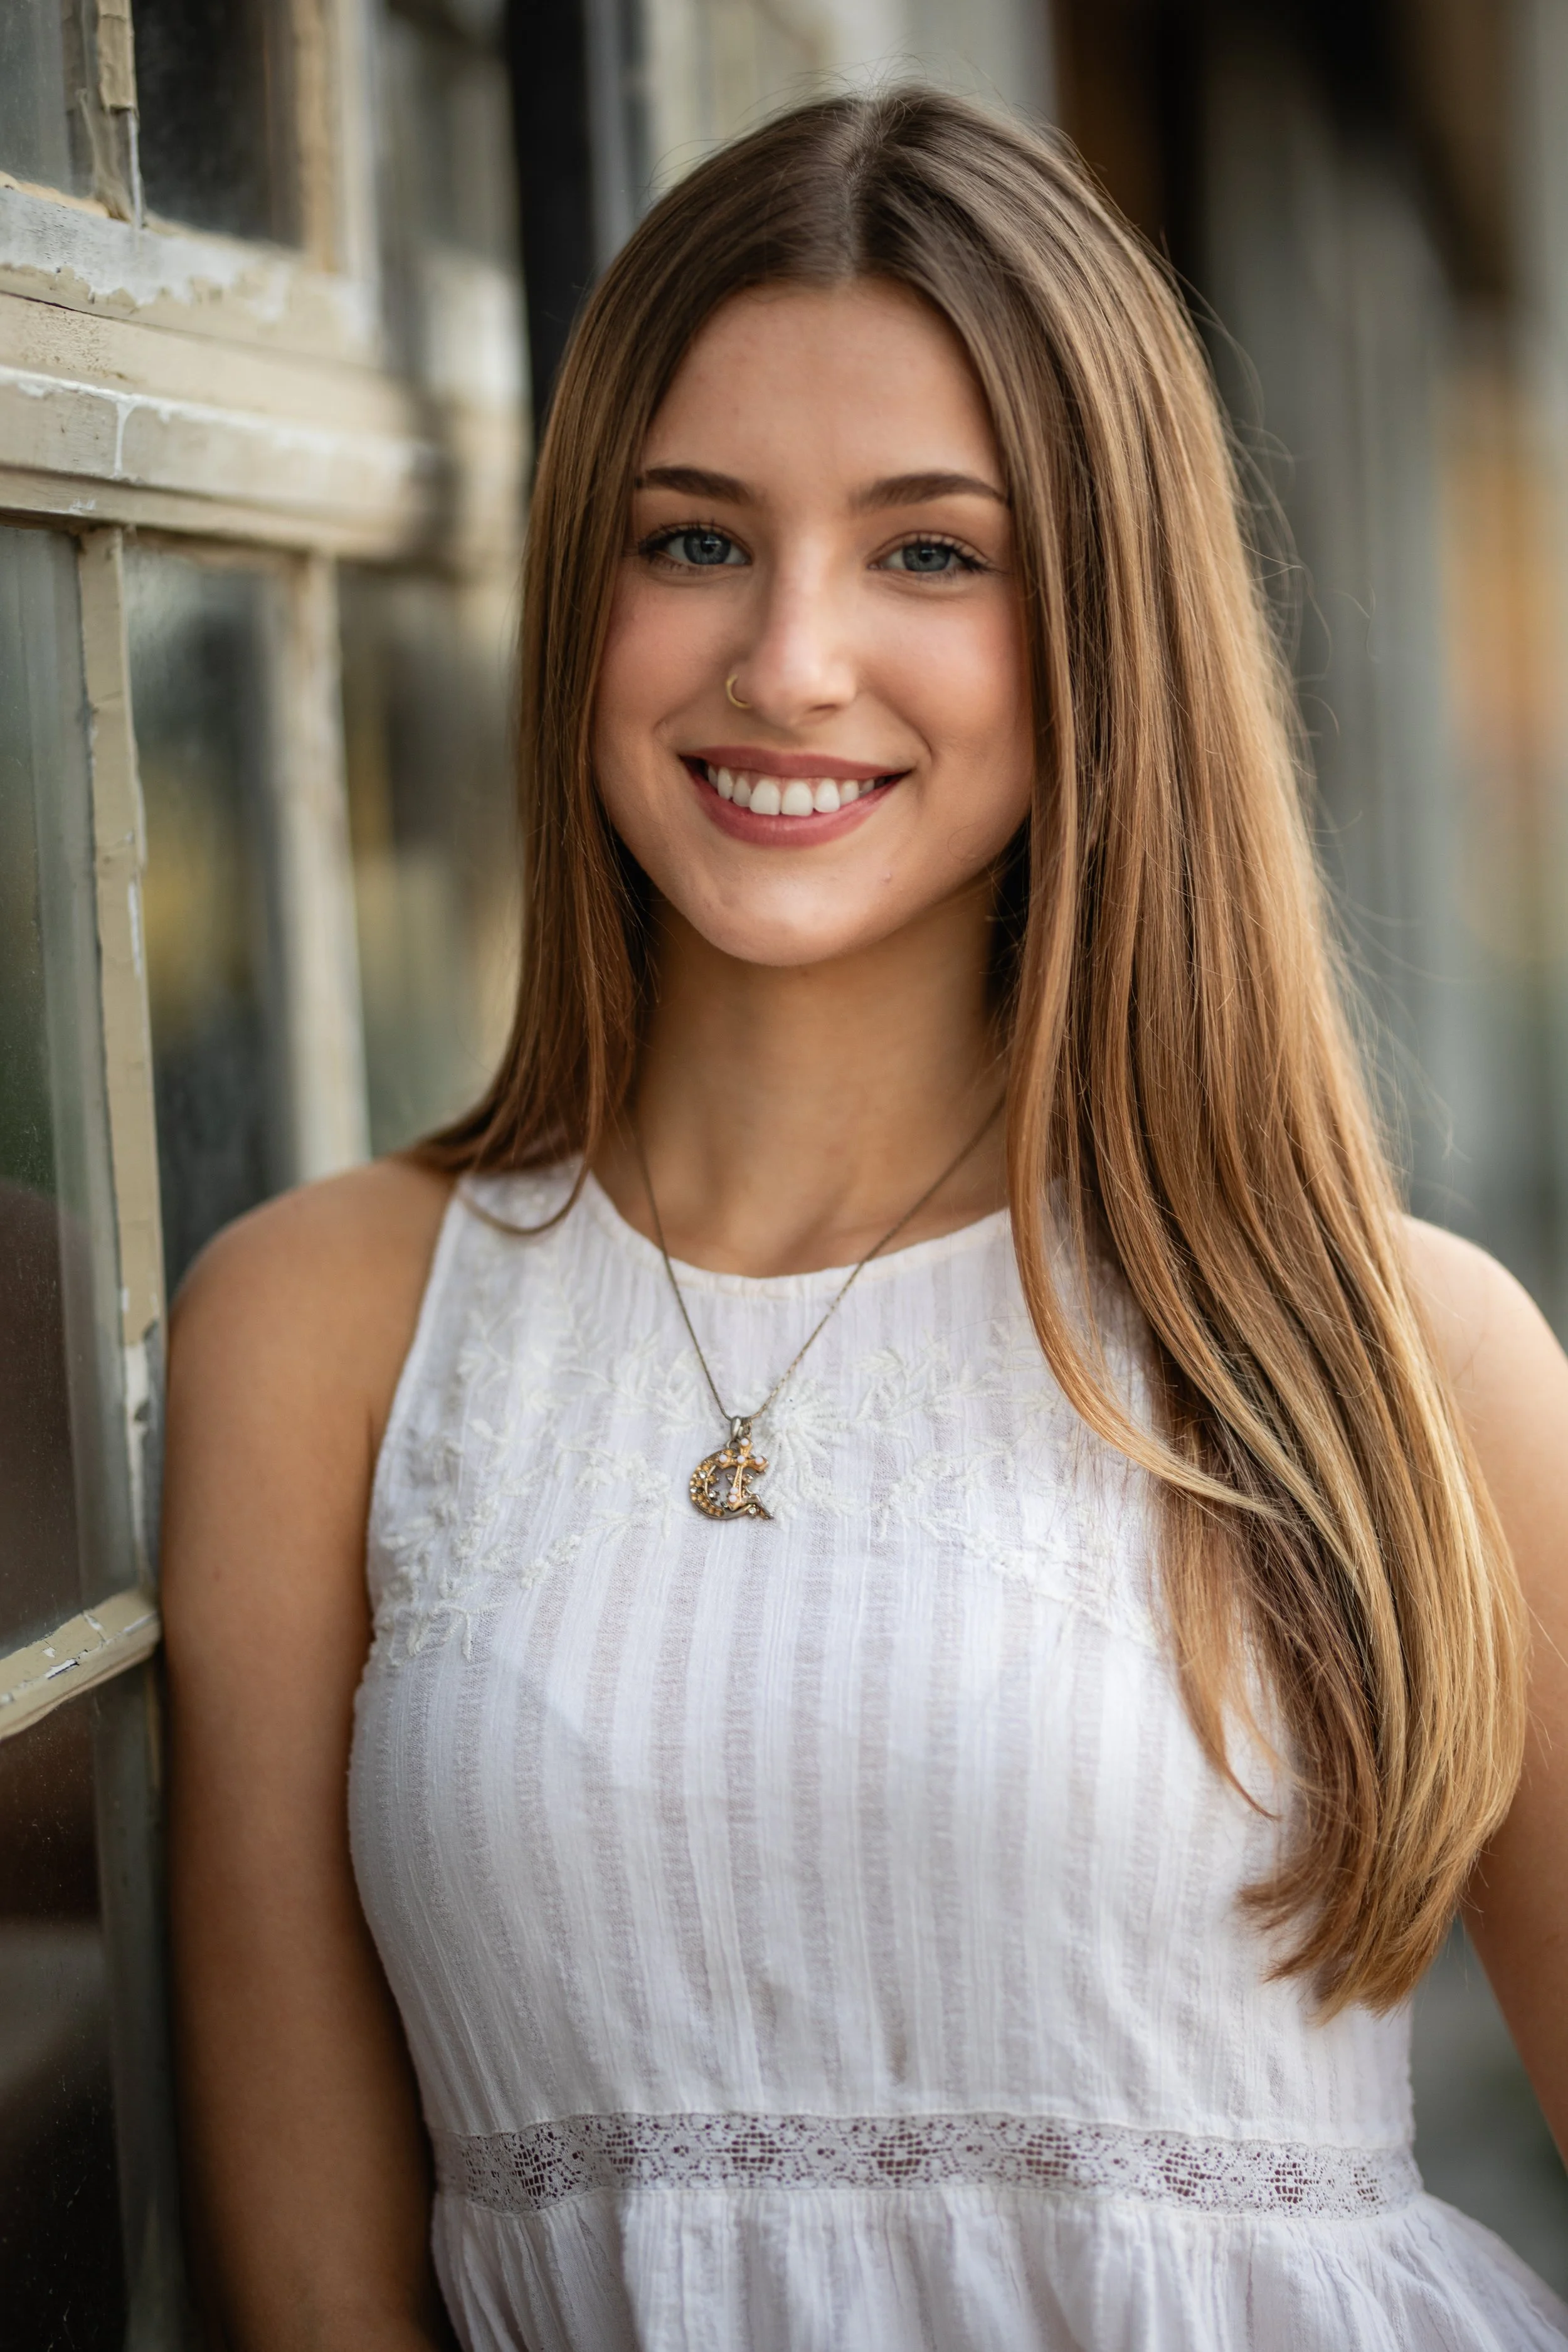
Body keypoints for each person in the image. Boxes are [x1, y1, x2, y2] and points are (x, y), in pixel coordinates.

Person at [161, 89, 1568, 2352]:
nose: (788, 659)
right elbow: (316, 2301)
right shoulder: (317, 1335)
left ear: (1105, 621)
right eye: (692, 540)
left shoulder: (1400, 1350)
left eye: (931, 553)